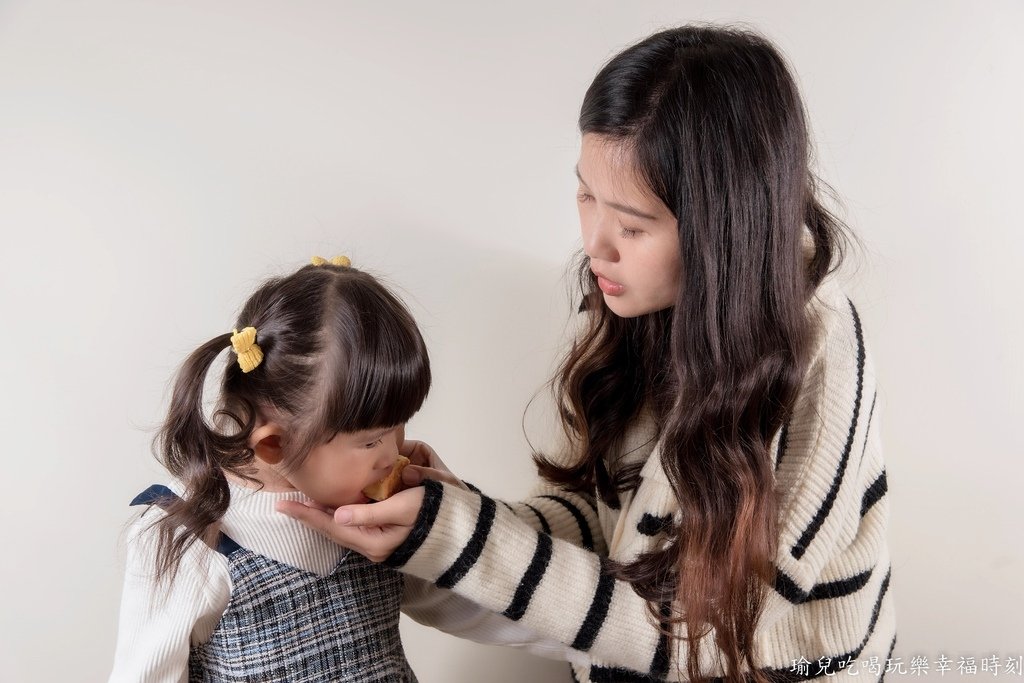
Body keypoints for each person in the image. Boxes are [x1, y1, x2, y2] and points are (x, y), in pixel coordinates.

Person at [279, 25, 895, 683]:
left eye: (632, 224)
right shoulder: (625, 300)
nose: (596, 243)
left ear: (724, 228)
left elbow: (709, 635)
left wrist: (457, 533)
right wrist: (456, 512)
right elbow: (604, 525)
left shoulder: (818, 351)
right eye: (584, 193)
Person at [109, 256, 430, 683]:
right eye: (371, 441)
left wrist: (444, 520)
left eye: (398, 427)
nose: (393, 455)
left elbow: (485, 610)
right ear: (275, 444)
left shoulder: (385, 511)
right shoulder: (191, 538)